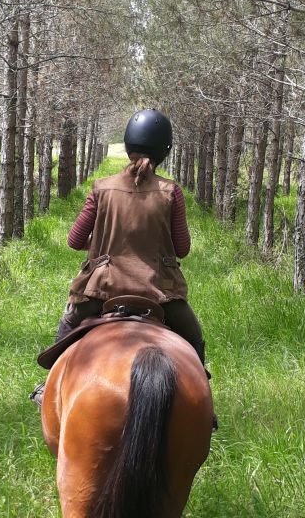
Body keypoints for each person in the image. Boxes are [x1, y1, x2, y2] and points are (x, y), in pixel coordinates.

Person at [50, 108, 206, 363]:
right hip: (160, 292)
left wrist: (104, 241)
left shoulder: (101, 188)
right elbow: (182, 249)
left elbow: (74, 241)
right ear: (164, 150)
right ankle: (201, 385)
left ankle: (50, 382)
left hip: (102, 289)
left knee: (66, 329)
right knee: (194, 340)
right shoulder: (171, 192)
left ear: (128, 144)